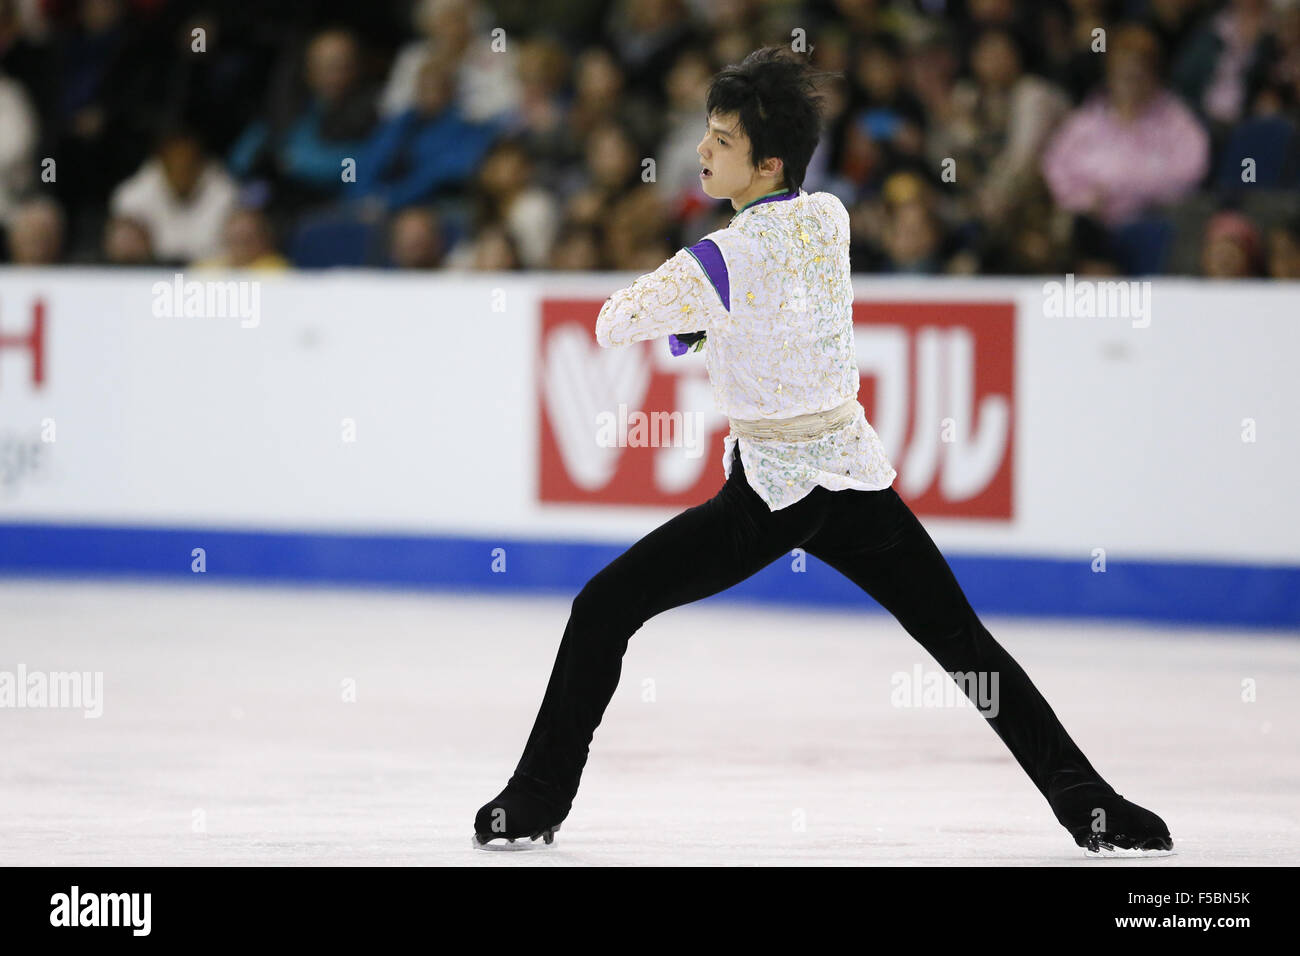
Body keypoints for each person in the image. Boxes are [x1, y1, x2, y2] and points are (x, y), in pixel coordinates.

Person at [473, 48, 1173, 857]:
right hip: (853, 477)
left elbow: (610, 321)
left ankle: (533, 801)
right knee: (966, 650)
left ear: (766, 162)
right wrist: (711, 319)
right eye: (706, 134)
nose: (703, 151)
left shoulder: (716, 260)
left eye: (722, 140)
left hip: (769, 495)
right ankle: (1092, 806)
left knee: (602, 608)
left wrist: (691, 317)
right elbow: (789, 297)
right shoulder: (831, 218)